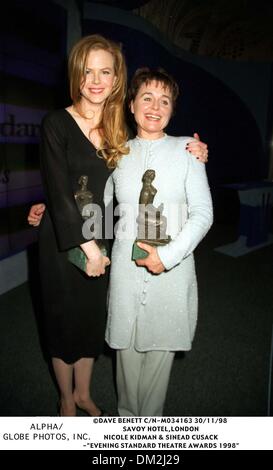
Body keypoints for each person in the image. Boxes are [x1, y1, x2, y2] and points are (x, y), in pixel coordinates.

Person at [28, 34, 208, 417]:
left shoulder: (118, 135)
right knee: (69, 325)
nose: (96, 79)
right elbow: (66, 185)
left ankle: (88, 396)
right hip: (75, 243)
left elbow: (109, 195)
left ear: (115, 80)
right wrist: (55, 210)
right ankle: (68, 400)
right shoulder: (63, 125)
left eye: (105, 71)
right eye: (88, 71)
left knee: (94, 322)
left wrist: (196, 152)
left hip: (106, 241)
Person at [104, 67, 213, 416]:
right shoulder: (116, 152)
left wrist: (167, 257)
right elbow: (94, 205)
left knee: (155, 383)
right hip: (124, 271)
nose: (155, 106)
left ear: (172, 110)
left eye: (164, 100)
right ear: (131, 104)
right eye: (146, 97)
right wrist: (48, 208)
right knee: (126, 368)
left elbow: (202, 214)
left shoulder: (188, 150)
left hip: (171, 274)